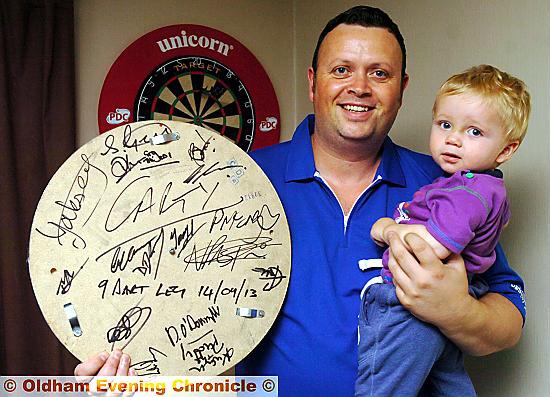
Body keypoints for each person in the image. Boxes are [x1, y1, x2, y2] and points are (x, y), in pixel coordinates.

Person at [75, 6, 526, 397]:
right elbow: (172, 297)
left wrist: (457, 310)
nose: (360, 87)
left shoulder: (446, 186)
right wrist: (134, 367)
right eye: (342, 69)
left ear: (402, 89)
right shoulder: (236, 181)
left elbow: (507, 319)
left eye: (380, 73)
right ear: (313, 82)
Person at [355, 64, 530, 397]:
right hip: (456, 298)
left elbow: (433, 247)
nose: (453, 138)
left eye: (474, 132)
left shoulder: (467, 192)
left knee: (383, 385)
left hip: (411, 310)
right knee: (447, 381)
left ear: (506, 149)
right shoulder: (475, 187)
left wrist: (390, 230)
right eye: (445, 124)